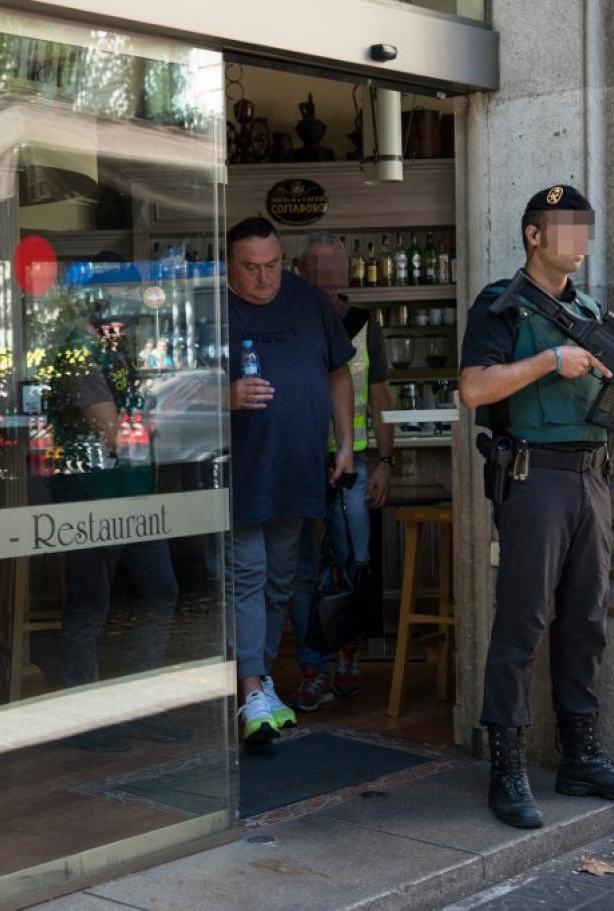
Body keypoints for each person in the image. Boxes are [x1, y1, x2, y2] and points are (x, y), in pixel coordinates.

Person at [459, 184, 614, 828]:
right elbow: (473, 389)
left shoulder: (590, 311)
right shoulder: (500, 305)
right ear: (534, 235)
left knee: (586, 618)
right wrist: (550, 360)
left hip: (591, 478)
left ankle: (579, 758)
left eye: (584, 228)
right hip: (533, 478)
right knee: (523, 618)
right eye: (567, 228)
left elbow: (612, 402)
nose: (581, 240)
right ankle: (507, 767)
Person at [226, 216, 355, 745]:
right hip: (241, 472)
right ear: (230, 266)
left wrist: (346, 442)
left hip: (298, 466)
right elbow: (173, 389)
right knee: (248, 576)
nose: (264, 278)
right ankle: (251, 689)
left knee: (281, 579)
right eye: (251, 268)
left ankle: (259, 683)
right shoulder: (214, 308)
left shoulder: (307, 299)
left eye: (272, 265)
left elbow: (338, 373)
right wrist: (227, 396)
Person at [44, 291, 183, 752]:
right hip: (92, 496)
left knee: (159, 591)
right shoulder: (77, 353)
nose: (129, 319)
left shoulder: (113, 353)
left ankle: (142, 707)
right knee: (89, 605)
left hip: (132, 493)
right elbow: (113, 432)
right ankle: (85, 718)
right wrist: (167, 416)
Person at [290, 234, 396, 712]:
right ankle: (312, 669)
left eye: (333, 267)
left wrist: (385, 461)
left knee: (353, 560)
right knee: (301, 571)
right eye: (316, 267)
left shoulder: (363, 324)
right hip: (297, 462)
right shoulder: (289, 318)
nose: (325, 277)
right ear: (299, 269)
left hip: (351, 464)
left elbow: (379, 396)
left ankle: (348, 654)